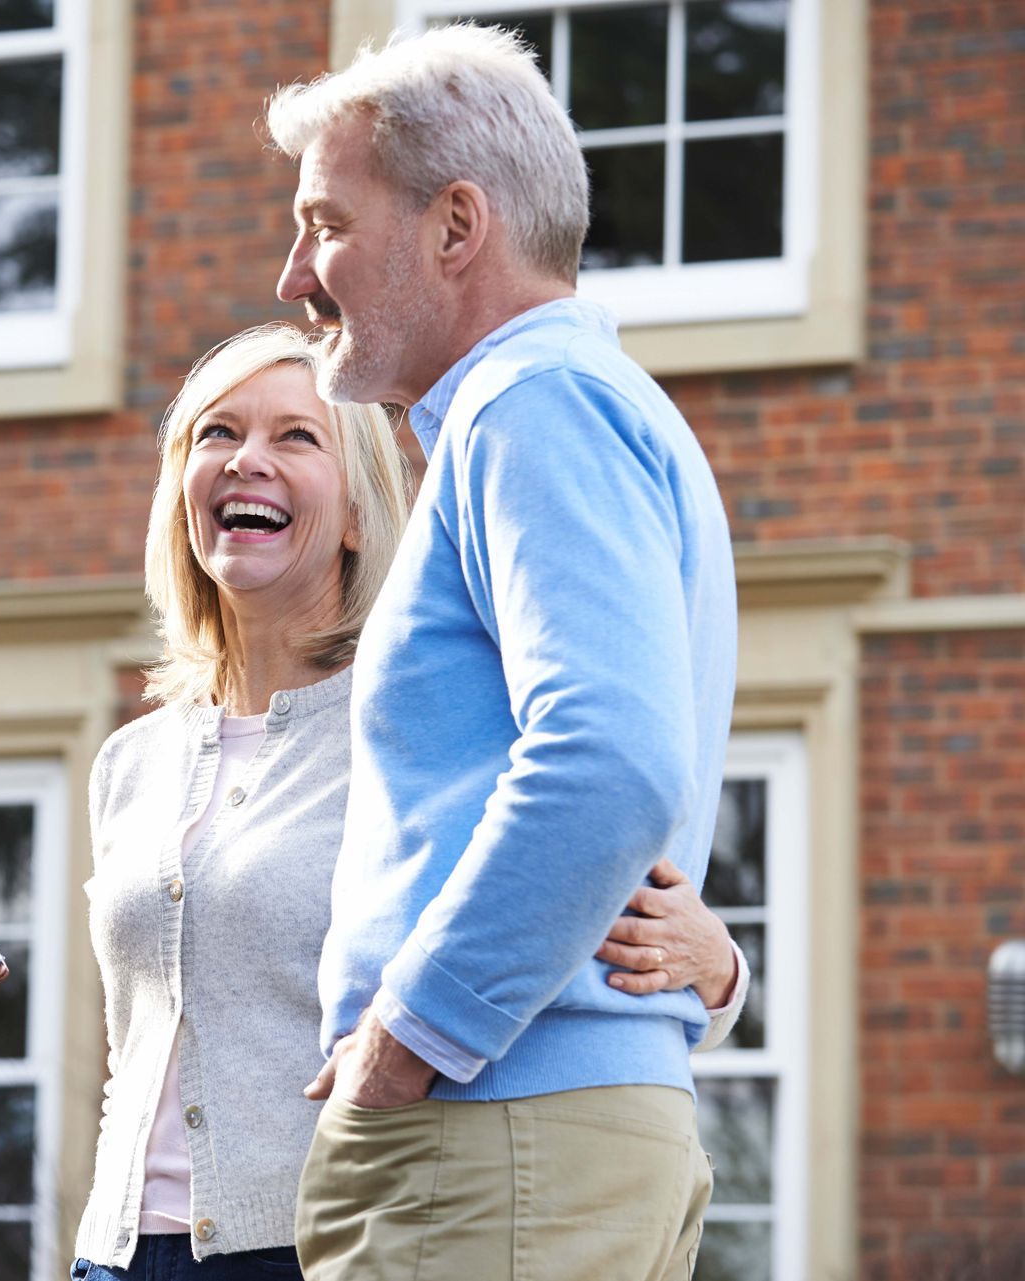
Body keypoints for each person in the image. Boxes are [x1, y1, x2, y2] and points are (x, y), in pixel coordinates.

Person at [70, 324, 746, 1281]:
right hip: (119, 1256)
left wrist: (718, 970)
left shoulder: (418, 728)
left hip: (323, 1240)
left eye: (297, 437)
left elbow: (561, 880)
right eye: (216, 434)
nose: (246, 460)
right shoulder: (128, 761)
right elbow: (133, 1044)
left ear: (357, 511)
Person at [266, 25, 741, 1281]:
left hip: (492, 1131)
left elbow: (608, 760)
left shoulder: (533, 405)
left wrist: (404, 1043)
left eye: (326, 224)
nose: (295, 278)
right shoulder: (578, 404)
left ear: (456, 226)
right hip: (541, 1131)